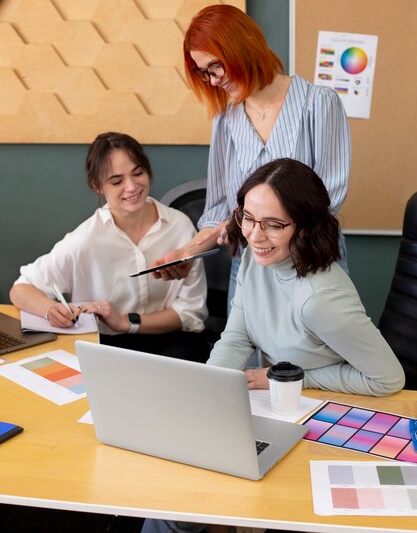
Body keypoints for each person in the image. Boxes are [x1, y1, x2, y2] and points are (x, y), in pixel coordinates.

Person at [141, 158, 404, 533]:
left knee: (185, 501)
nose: (255, 235)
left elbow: (386, 379)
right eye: (247, 218)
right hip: (277, 406)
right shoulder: (255, 256)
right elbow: (237, 335)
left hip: (325, 421)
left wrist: (285, 377)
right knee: (177, 492)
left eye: (274, 225)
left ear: (305, 226)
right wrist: (206, 392)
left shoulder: (319, 298)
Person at [151, 4, 351, 307]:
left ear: (242, 47)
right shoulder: (226, 119)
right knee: (241, 353)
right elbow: (221, 210)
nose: (214, 80)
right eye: (204, 73)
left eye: (215, 66)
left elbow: (326, 199)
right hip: (248, 266)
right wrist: (188, 252)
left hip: (310, 262)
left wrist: (256, 227)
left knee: (319, 353)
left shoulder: (318, 104)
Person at [9, 132, 209, 362]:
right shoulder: (84, 240)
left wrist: (126, 323)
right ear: (97, 185)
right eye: (117, 181)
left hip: (173, 342)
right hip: (107, 347)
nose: (132, 187)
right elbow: (21, 289)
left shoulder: (180, 226)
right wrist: (50, 309)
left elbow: (190, 312)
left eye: (138, 173)